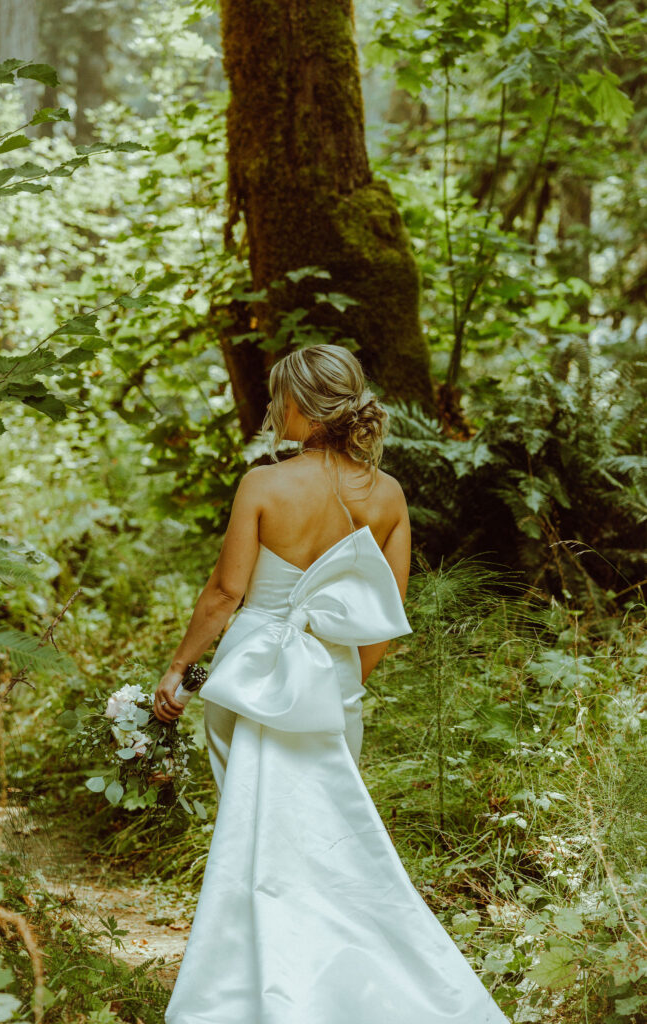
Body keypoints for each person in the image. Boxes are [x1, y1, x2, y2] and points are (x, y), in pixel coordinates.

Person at [156, 344, 509, 1024]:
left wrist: (179, 669)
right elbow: (383, 619)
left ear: (302, 405)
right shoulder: (387, 496)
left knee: (255, 838)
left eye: (278, 398)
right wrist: (339, 683)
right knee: (332, 839)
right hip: (331, 683)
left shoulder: (262, 484)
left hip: (252, 682)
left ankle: (258, 989)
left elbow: (225, 593)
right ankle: (344, 987)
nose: (271, 411)